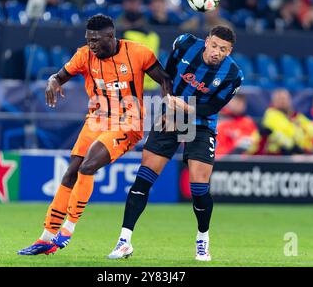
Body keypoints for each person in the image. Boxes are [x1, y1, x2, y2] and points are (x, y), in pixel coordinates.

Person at [17, 14, 172, 255]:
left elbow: (164, 79)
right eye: (88, 40)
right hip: (96, 120)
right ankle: (46, 238)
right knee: (70, 172)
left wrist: (168, 107)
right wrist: (52, 81)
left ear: (111, 36)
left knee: (87, 167)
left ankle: (67, 230)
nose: (91, 45)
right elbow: (60, 76)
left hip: (127, 122)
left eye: (96, 41)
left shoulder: (139, 53)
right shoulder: (84, 55)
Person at [107, 26, 244, 261]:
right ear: (207, 41)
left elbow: (211, 108)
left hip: (202, 123)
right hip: (170, 114)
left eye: (223, 49)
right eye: (214, 46)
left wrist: (184, 109)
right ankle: (124, 241)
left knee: (199, 188)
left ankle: (202, 241)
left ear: (229, 51)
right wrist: (170, 107)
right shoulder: (185, 44)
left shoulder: (233, 74)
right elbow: (166, 77)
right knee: (144, 178)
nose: (216, 52)